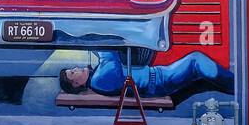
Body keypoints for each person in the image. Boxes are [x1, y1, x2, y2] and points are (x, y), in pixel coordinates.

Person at [60, 50, 234, 106]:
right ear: (76, 84)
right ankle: (237, 86)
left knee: (204, 81)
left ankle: (234, 86)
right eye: (72, 72)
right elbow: (111, 58)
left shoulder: (97, 76)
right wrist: (99, 40)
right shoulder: (99, 81)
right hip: (159, 82)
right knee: (196, 61)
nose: (75, 68)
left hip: (158, 76)